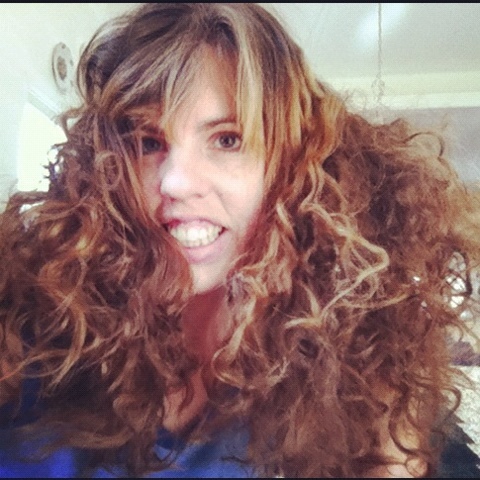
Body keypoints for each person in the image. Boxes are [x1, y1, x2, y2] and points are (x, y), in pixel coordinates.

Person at [0, 3, 479, 477]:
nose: (175, 182)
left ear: (293, 172)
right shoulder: (33, 329)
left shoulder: (361, 381)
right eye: (149, 142)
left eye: (227, 139)